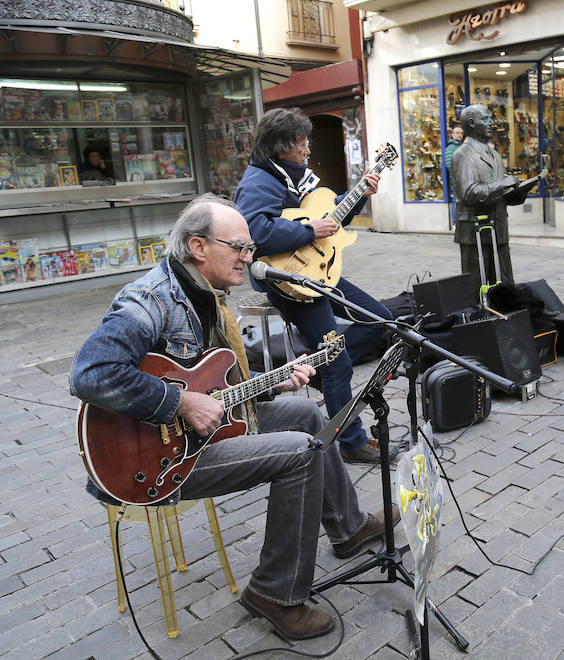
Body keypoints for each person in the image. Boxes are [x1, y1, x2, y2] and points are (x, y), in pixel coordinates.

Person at [70, 194, 398, 640]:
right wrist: (180, 403)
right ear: (199, 247)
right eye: (240, 247)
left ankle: (348, 528)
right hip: (156, 460)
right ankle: (275, 593)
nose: (250, 257)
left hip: (205, 431)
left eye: (250, 249)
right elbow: (91, 373)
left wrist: (269, 381)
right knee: (301, 452)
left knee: (303, 411)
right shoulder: (151, 299)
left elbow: (208, 376)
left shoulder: (204, 295)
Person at [233, 107, 392, 464]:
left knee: (379, 319)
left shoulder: (293, 175)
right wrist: (308, 231)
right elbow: (255, 231)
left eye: (307, 143)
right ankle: (351, 441)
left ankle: (321, 367)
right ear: (281, 147)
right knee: (340, 366)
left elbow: (328, 217)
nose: (308, 151)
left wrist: (360, 194)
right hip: (291, 282)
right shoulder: (259, 181)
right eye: (302, 144)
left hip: (319, 271)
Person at [452, 104, 536, 297]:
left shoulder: (495, 155)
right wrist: (503, 185)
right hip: (475, 232)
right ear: (471, 123)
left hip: (498, 227)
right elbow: (469, 192)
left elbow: (499, 194)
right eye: (486, 119)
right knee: (476, 290)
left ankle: (509, 322)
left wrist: (518, 191)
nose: (492, 122)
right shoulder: (462, 155)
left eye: (491, 118)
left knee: (506, 286)